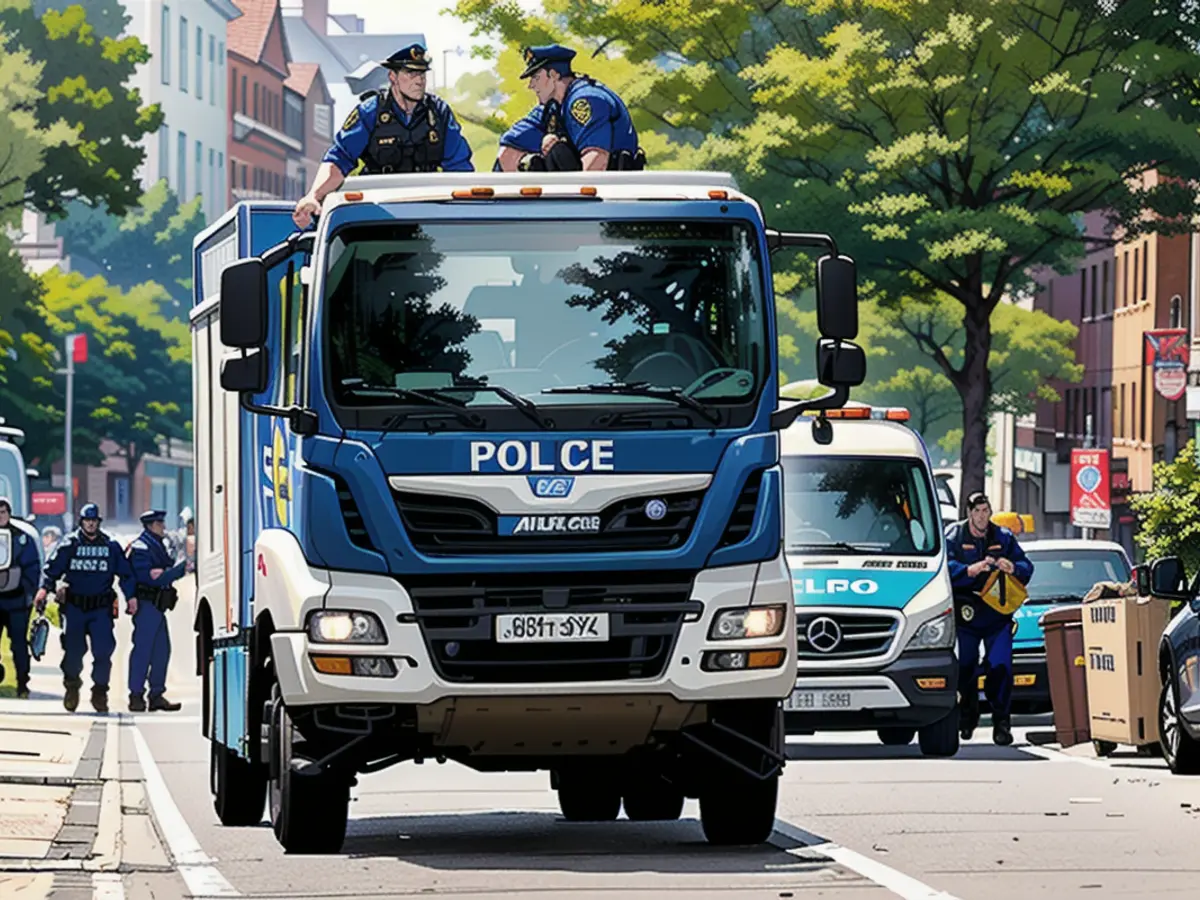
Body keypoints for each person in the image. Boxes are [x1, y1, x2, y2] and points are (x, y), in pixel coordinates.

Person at [292, 42, 473, 228]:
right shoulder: (371, 112)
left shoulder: (438, 113)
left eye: (422, 74)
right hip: (377, 214)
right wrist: (313, 195)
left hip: (426, 213)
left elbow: (459, 167)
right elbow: (339, 159)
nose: (419, 81)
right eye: (410, 73)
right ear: (392, 76)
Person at [945, 492, 1034, 747]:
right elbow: (944, 566)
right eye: (977, 512)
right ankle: (968, 714)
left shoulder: (1003, 537)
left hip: (997, 613)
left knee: (1001, 666)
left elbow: (1027, 567)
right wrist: (967, 571)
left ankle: (1002, 722)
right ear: (969, 513)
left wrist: (1013, 568)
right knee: (965, 665)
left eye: (986, 511)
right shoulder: (955, 535)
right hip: (967, 613)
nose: (982, 517)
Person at [35, 503, 135, 713]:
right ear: (81, 522)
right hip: (75, 608)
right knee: (72, 652)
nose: (91, 524)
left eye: (94, 521)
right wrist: (44, 590)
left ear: (98, 522)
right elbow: (51, 570)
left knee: (103, 652)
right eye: (87, 521)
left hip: (101, 608)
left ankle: (100, 692)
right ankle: (72, 687)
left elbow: (125, 574)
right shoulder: (69, 544)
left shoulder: (110, 546)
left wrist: (131, 597)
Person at [495, 44, 645, 173]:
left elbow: (596, 161)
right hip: (574, 195)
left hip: (611, 194)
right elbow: (509, 149)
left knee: (557, 151)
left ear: (553, 75)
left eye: (536, 77)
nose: (531, 85)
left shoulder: (585, 100)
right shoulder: (551, 107)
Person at [123, 510, 187, 712]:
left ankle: (156, 695)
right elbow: (153, 578)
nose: (163, 527)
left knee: (162, 651)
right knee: (143, 651)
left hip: (157, 606)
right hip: (146, 604)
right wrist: (180, 570)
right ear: (150, 525)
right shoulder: (142, 547)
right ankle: (136, 695)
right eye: (160, 523)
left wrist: (168, 571)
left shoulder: (156, 544)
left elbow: (164, 568)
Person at [0, 497, 44, 698]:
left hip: (16, 602)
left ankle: (22, 684)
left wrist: (28, 592)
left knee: (18, 644)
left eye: (3, 512)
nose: (0, 516)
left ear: (9, 514)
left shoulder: (22, 538)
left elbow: (33, 568)